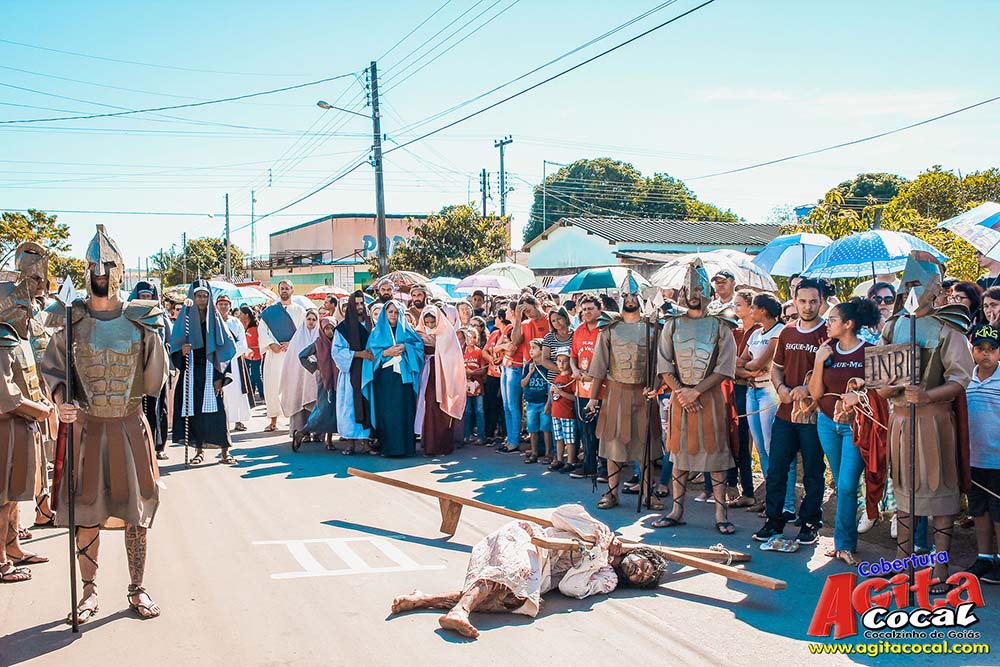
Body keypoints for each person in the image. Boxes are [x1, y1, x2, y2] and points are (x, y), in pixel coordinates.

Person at [43, 224, 167, 622]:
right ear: (85, 271)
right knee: (86, 510)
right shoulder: (71, 319)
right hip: (87, 427)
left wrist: (155, 336)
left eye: (107, 266)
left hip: (129, 424)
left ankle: (137, 588)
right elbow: (55, 372)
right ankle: (89, 591)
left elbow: (153, 379)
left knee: (136, 511)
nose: (100, 273)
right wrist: (61, 401)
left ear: (119, 270)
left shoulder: (140, 320)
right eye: (94, 266)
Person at [389, 504, 667, 639]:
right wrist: (597, 533)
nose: (639, 571)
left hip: (541, 574)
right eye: (645, 565)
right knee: (512, 570)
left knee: (506, 598)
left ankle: (424, 599)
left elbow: (571, 588)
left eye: (642, 577)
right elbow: (560, 515)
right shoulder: (602, 532)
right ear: (639, 553)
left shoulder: (607, 579)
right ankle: (460, 611)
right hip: (527, 539)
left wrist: (599, 555)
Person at [878, 252, 974, 591]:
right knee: (904, 495)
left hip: (935, 422)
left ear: (935, 289)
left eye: (921, 284)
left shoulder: (949, 327)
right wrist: (888, 387)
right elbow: (881, 378)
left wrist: (928, 395)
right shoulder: (893, 326)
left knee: (940, 492)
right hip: (901, 420)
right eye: (910, 283)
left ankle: (940, 568)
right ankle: (903, 563)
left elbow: (960, 378)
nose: (913, 290)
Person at [654, 259, 738, 534]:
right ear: (682, 293)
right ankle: (676, 510)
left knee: (715, 456)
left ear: (709, 292)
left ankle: (721, 514)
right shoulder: (672, 325)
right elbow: (664, 364)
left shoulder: (721, 324)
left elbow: (725, 367)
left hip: (709, 398)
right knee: (679, 455)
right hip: (680, 398)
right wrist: (681, 392)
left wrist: (696, 391)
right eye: (689, 289)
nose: (694, 294)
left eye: (700, 289)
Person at [753, 277, 828, 546]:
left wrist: (808, 389)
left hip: (813, 415)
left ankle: (810, 523)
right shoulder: (787, 331)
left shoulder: (828, 333)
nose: (807, 306)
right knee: (777, 469)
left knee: (813, 472)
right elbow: (776, 367)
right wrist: (780, 387)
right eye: (803, 301)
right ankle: (774, 521)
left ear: (821, 302)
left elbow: (832, 373)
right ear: (794, 301)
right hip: (785, 413)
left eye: (813, 301)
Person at [809, 298, 882, 567]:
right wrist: (819, 361)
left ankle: (845, 544)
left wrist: (860, 395)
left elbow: (880, 393)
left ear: (849, 324)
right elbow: (815, 394)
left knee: (848, 484)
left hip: (857, 426)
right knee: (841, 484)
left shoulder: (870, 352)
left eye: (832, 320)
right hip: (827, 422)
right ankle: (842, 543)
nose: (827, 324)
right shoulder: (827, 351)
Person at [585, 279, 663, 511]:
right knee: (613, 446)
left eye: (633, 295)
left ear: (640, 298)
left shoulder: (653, 328)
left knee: (646, 448)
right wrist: (593, 398)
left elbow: (661, 365)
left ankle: (648, 493)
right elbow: (599, 366)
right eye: (626, 295)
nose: (630, 300)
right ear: (620, 298)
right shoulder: (610, 328)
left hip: (643, 394)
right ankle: (612, 493)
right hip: (616, 392)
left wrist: (655, 386)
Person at [0, 274, 53, 583]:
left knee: (14, 494)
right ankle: (1, 561)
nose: (29, 312)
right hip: (6, 427)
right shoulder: (2, 340)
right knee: (3, 497)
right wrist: (39, 410)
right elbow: (6, 396)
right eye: (22, 307)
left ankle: (13, 548)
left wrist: (40, 401)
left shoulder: (16, 338)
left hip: (21, 426)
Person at [169, 280, 238, 466]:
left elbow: (225, 349)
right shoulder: (185, 319)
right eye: (198, 296)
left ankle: (225, 451)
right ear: (192, 298)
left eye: (204, 296)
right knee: (195, 414)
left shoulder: (215, 321)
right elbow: (174, 347)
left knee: (219, 413)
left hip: (211, 370)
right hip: (191, 371)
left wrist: (220, 377)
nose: (201, 299)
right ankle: (199, 450)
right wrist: (181, 351)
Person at [741, 293, 796, 517]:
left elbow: (756, 363)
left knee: (776, 449)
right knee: (762, 449)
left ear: (763, 310)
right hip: (752, 390)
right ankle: (771, 499)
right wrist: (748, 370)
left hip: (770, 392)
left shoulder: (779, 332)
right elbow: (739, 362)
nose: (750, 311)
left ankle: (786, 503)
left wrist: (747, 368)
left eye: (753, 307)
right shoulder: (755, 334)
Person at [964, 323, 1000, 584]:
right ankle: (984, 556)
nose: (985, 353)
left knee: (999, 511)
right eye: (980, 348)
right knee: (979, 510)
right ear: (972, 350)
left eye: (992, 349)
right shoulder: (966, 378)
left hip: (998, 460)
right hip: (973, 458)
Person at [363, 301, 423, 457]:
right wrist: (385, 353)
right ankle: (388, 448)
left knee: (404, 412)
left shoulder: (408, 331)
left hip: (404, 380)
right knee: (387, 413)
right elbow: (369, 355)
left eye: (396, 312)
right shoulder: (376, 333)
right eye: (390, 312)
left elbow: (419, 348)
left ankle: (406, 448)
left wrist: (406, 348)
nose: (393, 315)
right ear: (385, 313)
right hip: (384, 379)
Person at [416, 306, 466, 456]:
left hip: (443, 374)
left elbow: (453, 355)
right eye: (427, 322)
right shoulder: (419, 333)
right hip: (427, 373)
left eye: (432, 322)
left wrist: (437, 344)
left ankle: (442, 446)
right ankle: (429, 445)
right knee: (428, 406)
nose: (430, 325)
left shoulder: (447, 332)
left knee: (442, 408)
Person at [257, 280, 307, 432]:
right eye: (282, 288)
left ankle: (294, 422)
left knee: (292, 387)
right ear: (279, 291)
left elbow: (304, 332)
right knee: (273, 387)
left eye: (287, 288)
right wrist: (271, 344)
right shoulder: (269, 311)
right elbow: (262, 331)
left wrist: (291, 343)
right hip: (274, 355)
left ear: (292, 290)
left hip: (292, 355)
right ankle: (273, 421)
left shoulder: (300, 311)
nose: (284, 290)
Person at [332, 291, 373, 454]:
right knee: (349, 408)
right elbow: (337, 351)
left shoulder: (371, 324)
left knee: (367, 403)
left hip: (368, 371)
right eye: (356, 304)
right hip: (350, 373)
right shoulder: (343, 328)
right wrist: (358, 354)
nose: (360, 307)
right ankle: (350, 443)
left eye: (362, 303)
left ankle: (366, 442)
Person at [729, 290, 758, 509]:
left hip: (751, 390)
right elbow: (729, 363)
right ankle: (737, 487)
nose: (735, 308)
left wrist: (741, 369)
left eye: (739, 304)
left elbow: (758, 368)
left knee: (746, 442)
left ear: (750, 306)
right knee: (734, 439)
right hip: (734, 387)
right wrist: (742, 370)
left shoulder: (758, 331)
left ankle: (749, 490)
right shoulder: (736, 331)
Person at [570, 294, 604, 480]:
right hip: (581, 388)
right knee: (585, 429)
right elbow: (573, 356)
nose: (587, 312)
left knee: (602, 430)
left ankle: (604, 468)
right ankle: (589, 465)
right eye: (584, 309)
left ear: (600, 309)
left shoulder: (605, 329)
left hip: (602, 389)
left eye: (591, 308)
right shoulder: (579, 330)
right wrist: (575, 370)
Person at [299, 316, 339, 449]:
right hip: (324, 380)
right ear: (322, 329)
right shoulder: (318, 343)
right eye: (327, 328)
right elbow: (302, 356)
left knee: (333, 410)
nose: (330, 332)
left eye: (332, 328)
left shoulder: (338, 342)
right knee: (323, 409)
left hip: (337, 379)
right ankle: (303, 431)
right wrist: (316, 366)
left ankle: (329, 440)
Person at [280, 309, 320, 441]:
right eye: (309, 319)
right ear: (304, 320)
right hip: (299, 377)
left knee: (316, 403)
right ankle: (302, 433)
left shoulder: (319, 337)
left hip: (315, 376)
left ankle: (317, 432)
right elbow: (291, 359)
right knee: (299, 403)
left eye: (314, 320)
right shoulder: (297, 338)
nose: (311, 322)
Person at [216, 294, 253, 432]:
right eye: (221, 304)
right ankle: (221, 421)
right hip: (217, 361)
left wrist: (229, 353)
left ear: (230, 306)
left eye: (226, 304)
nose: (223, 307)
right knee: (221, 391)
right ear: (216, 306)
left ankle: (238, 420)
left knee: (236, 390)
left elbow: (242, 343)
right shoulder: (213, 322)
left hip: (234, 361)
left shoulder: (236, 323)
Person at [522, 339, 553, 464]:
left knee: (546, 429)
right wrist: (530, 373)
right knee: (532, 429)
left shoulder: (546, 367)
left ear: (542, 350)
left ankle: (548, 453)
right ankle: (534, 452)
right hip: (531, 403)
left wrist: (548, 403)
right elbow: (523, 384)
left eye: (534, 348)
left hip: (543, 401)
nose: (531, 350)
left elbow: (550, 386)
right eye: (530, 348)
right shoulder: (528, 366)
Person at [482, 309, 507, 445]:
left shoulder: (509, 333)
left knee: (504, 405)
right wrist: (491, 359)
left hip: (505, 374)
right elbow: (485, 351)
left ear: (501, 318)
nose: (494, 320)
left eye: (496, 317)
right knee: (490, 404)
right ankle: (489, 433)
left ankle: (504, 434)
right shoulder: (494, 333)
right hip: (492, 374)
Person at [549, 352, 577, 473]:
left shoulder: (571, 378)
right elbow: (554, 396)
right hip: (556, 413)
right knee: (558, 438)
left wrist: (561, 393)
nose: (561, 364)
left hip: (567, 414)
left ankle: (571, 461)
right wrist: (552, 392)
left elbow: (575, 397)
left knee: (569, 439)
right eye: (559, 361)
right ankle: (559, 460)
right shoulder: (557, 377)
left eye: (564, 361)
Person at [462, 328, 488, 445]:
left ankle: (481, 436)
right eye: (469, 337)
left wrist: (472, 373)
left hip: (478, 386)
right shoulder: (462, 352)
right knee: (467, 411)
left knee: (479, 411)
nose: (471, 340)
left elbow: (483, 369)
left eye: (474, 337)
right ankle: (466, 435)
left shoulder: (479, 352)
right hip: (465, 387)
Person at [239, 306, 264, 400]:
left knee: (256, 375)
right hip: (246, 354)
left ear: (246, 315)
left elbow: (258, 340)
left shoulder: (256, 326)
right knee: (248, 375)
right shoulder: (242, 325)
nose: (239, 315)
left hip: (255, 354)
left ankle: (262, 394)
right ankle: (251, 393)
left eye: (241, 313)